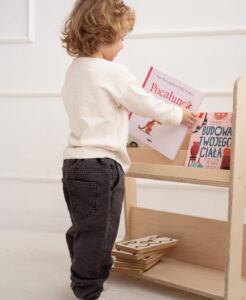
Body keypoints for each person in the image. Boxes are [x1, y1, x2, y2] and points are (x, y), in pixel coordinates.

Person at [60, 1, 198, 299]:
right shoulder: (113, 72)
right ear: (101, 37)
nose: (123, 46)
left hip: (73, 164)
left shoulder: (75, 70)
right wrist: (179, 115)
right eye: (121, 38)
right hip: (101, 165)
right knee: (102, 230)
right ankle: (87, 287)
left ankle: (82, 271)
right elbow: (145, 102)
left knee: (84, 226)